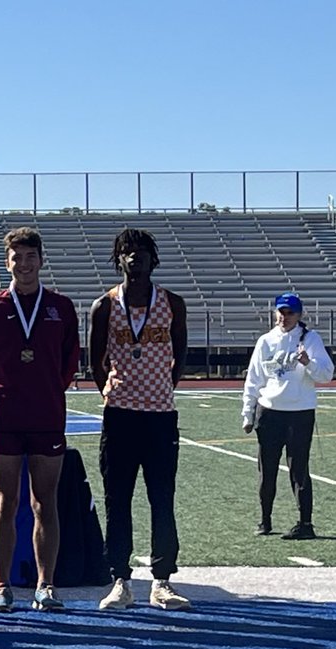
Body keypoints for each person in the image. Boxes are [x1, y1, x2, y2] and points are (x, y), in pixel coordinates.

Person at [0, 227, 79, 613]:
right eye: (17, 257)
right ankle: (1, 587)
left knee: (44, 502)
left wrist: (46, 389)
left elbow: (68, 365)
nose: (24, 264)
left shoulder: (61, 308)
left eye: (31, 256)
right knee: (4, 500)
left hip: (47, 416)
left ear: (41, 260)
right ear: (7, 263)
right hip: (5, 419)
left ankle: (45, 585)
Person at [88, 227, 191, 612]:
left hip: (161, 415)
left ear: (153, 259)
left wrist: (163, 387)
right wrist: (113, 392)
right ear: (119, 259)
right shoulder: (105, 306)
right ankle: (120, 579)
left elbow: (180, 355)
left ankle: (162, 580)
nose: (135, 257)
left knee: (162, 498)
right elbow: (96, 360)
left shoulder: (172, 304)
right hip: (120, 415)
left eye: (142, 251)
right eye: (128, 251)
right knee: (119, 500)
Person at [241, 292, 334, 540]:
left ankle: (305, 524)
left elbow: (326, 374)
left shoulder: (310, 339)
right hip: (269, 412)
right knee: (266, 470)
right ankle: (265, 520)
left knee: (299, 469)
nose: (285, 317)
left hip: (299, 413)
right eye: (281, 311)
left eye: (290, 312)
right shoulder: (266, 341)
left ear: (299, 315)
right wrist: (247, 413)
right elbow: (254, 378)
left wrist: (309, 363)